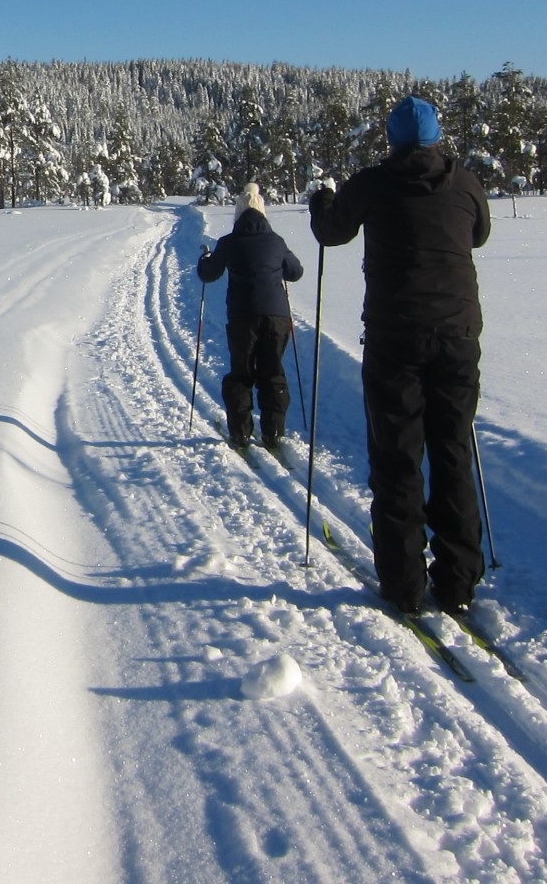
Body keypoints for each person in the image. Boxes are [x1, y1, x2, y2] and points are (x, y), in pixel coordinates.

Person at [308, 95, 492, 614]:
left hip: (394, 336)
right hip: (458, 334)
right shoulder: (465, 181)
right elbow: (479, 234)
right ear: (436, 138)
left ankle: (404, 582)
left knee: (397, 458)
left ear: (391, 140)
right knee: (452, 451)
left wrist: (321, 198)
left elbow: (331, 232)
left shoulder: (372, 183)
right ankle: (458, 581)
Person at [197, 184, 305, 453]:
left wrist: (205, 258)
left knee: (242, 373)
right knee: (272, 371)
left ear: (239, 214)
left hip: (243, 316)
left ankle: (241, 432)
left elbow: (208, 274)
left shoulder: (229, 243)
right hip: (277, 316)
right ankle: (274, 431)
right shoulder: (277, 241)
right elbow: (295, 272)